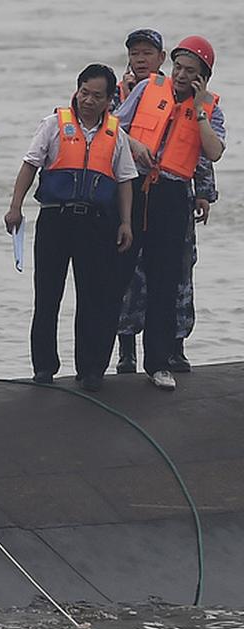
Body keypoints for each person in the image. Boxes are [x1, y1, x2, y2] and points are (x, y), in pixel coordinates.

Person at [4, 64, 136, 391]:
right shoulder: (53, 125)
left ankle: (89, 370)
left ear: (109, 100)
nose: (88, 100)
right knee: (47, 295)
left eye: (97, 96)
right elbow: (30, 166)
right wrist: (15, 207)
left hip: (95, 224)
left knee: (91, 298)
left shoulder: (115, 134)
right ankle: (44, 367)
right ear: (77, 90)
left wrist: (126, 223)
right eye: (84, 92)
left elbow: (124, 182)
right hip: (55, 220)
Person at [113, 36, 225, 392]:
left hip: (174, 195)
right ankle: (107, 355)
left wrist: (201, 108)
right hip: (136, 186)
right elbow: (113, 125)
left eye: (190, 71)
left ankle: (159, 362)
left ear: (202, 77)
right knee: (120, 272)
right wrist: (135, 144)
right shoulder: (147, 88)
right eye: (177, 67)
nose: (180, 75)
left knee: (166, 280)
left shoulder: (211, 108)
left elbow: (214, 151)